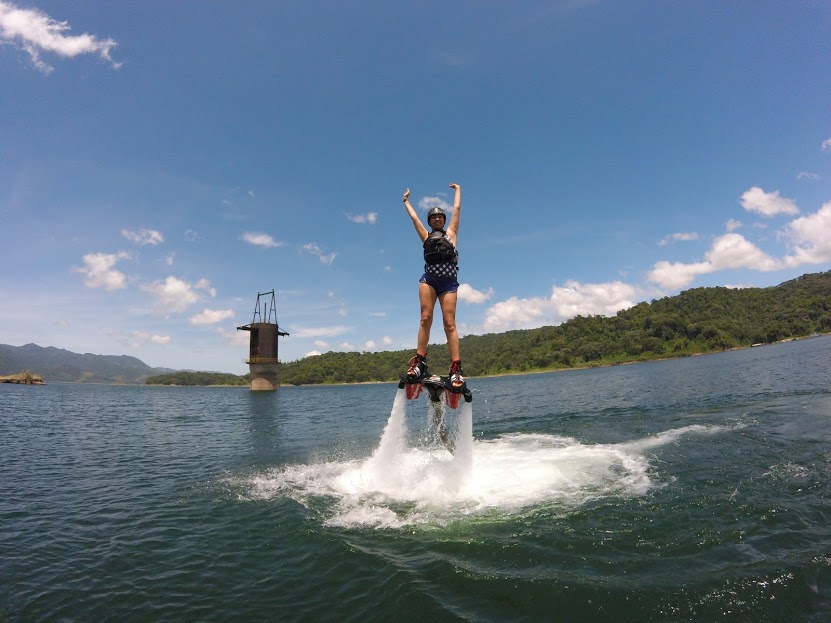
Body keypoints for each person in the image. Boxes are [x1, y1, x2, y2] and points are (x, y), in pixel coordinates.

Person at [401, 183, 465, 389]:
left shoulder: (452, 234)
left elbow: (456, 209)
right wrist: (406, 202)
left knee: (449, 323)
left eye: (440, 217)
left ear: (444, 220)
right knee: (426, 318)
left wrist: (458, 191)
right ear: (430, 221)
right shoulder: (426, 236)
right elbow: (414, 218)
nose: (437, 219)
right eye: (433, 217)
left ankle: (456, 368)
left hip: (448, 283)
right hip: (429, 281)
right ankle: (420, 361)